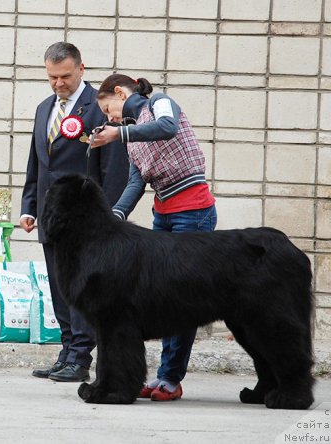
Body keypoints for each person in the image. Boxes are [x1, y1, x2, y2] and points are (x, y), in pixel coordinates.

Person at [91, 73, 217, 401]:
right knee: (164, 299)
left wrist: (118, 132)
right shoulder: (130, 135)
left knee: (183, 299)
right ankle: (163, 376)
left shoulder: (160, 102)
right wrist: (114, 216)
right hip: (163, 215)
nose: (109, 118)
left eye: (108, 110)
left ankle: (171, 379)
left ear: (120, 92)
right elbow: (136, 182)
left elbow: (167, 128)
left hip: (193, 211)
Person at [21, 42, 128, 383]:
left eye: (65, 76)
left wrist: (109, 215)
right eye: (52, 77)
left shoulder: (99, 109)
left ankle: (81, 357)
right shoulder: (43, 109)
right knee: (60, 288)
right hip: (51, 218)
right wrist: (29, 207)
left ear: (82, 69)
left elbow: (114, 169)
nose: (58, 84)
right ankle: (67, 350)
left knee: (84, 290)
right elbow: (37, 164)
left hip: (87, 222)